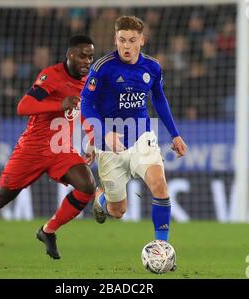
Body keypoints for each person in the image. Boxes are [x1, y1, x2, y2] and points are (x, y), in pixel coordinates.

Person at [0, 35, 96, 264]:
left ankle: (48, 230)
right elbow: (23, 106)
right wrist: (59, 104)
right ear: (70, 54)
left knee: (87, 186)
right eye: (83, 56)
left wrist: (90, 140)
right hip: (32, 148)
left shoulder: (88, 81)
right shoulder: (51, 75)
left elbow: (86, 111)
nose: (87, 61)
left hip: (61, 147)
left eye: (91, 57)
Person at [80, 16, 187, 245]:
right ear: (115, 40)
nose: (126, 46)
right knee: (118, 211)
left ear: (142, 40)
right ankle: (101, 200)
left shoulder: (152, 67)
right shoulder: (102, 68)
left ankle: (161, 246)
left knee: (159, 184)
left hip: (142, 136)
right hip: (110, 142)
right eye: (121, 40)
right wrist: (101, 135)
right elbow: (86, 104)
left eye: (131, 40)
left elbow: (159, 99)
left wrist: (175, 134)